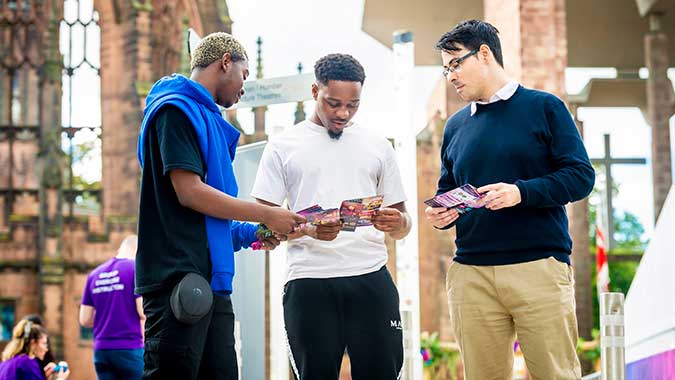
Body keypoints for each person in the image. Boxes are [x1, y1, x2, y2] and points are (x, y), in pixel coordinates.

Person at [424, 19, 595, 380]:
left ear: (484, 54)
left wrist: (520, 192)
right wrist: (444, 211)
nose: (450, 76)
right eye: (445, 68)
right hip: (470, 274)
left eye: (456, 63)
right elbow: (448, 186)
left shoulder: (545, 107)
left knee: (556, 375)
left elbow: (581, 177)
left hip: (538, 268)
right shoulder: (455, 126)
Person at [135, 32, 305, 380]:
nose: (244, 88)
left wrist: (260, 231)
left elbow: (212, 225)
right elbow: (190, 193)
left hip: (212, 287)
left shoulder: (208, 118)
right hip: (177, 284)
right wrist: (265, 212)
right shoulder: (174, 111)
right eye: (244, 75)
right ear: (226, 61)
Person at [251, 53, 411, 380]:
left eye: (352, 105)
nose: (342, 113)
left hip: (371, 279)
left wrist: (398, 223)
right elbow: (261, 233)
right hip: (309, 283)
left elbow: (404, 223)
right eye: (333, 103)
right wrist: (307, 229)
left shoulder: (378, 145)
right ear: (314, 91)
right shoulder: (282, 147)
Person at [79, 235, 144, 380]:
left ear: (120, 249)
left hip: (101, 350)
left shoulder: (94, 274)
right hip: (128, 347)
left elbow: (84, 319)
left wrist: (107, 314)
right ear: (138, 251)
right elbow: (142, 311)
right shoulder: (134, 269)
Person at [0, 319, 69, 380]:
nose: (46, 349)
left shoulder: (4, 365)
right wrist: (61, 378)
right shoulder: (27, 362)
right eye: (44, 343)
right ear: (33, 343)